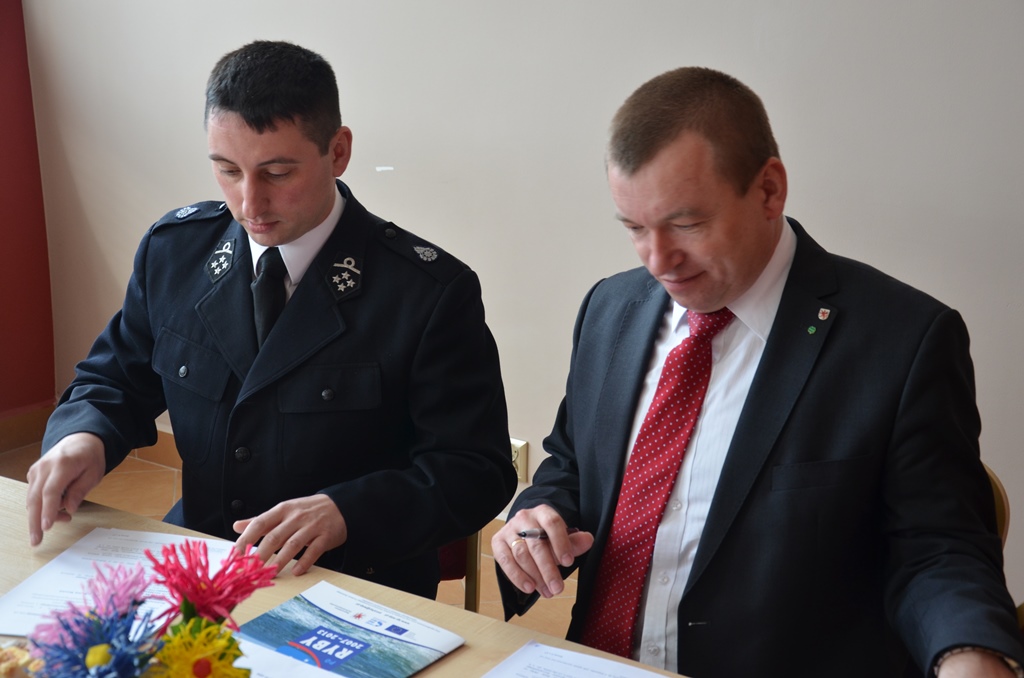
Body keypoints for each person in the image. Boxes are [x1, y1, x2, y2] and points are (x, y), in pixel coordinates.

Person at [493, 67, 1024, 677]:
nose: (659, 261)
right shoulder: (611, 308)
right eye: (635, 229)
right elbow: (573, 464)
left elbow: (937, 549)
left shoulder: (903, 341)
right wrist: (539, 515)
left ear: (769, 190)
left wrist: (967, 654)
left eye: (687, 224)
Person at [27, 40, 517, 599]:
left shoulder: (426, 292)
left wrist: (346, 511)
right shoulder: (176, 252)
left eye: (277, 173)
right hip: (202, 559)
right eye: (227, 170)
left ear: (338, 151)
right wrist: (83, 436)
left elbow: (475, 469)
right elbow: (115, 379)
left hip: (353, 582)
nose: (249, 204)